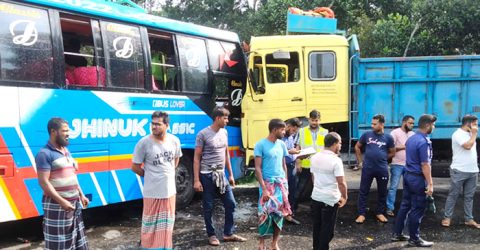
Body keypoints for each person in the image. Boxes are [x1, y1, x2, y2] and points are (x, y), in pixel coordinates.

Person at [193, 107, 247, 246]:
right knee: (208, 206)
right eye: (225, 118)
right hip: (207, 175)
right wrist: (197, 180)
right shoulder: (202, 134)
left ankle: (228, 233)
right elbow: (197, 158)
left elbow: (226, 153)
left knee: (231, 203)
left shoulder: (224, 132)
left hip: (221, 175)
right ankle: (211, 235)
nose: (227, 121)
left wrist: (231, 174)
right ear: (217, 118)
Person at [35, 117, 89, 250]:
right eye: (64, 131)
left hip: (73, 204)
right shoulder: (44, 154)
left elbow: (72, 176)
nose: (68, 134)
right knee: (60, 244)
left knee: (76, 241)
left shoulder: (65, 151)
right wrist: (62, 202)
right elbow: (44, 182)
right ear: (53, 132)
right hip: (57, 206)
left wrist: (81, 195)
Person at [131, 111, 182, 249]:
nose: (154, 127)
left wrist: (168, 173)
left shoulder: (174, 141)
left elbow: (176, 159)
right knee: (150, 226)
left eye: (158, 124)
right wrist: (150, 176)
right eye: (152, 124)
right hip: (152, 193)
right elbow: (135, 167)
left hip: (170, 192)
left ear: (167, 125)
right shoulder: (144, 143)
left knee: (167, 224)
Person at [392, 114, 436, 247]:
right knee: (418, 208)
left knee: (405, 205)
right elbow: (425, 164)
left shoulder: (411, 139)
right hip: (417, 178)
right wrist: (430, 183)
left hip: (408, 175)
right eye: (433, 125)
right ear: (428, 125)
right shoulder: (424, 141)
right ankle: (414, 239)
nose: (434, 127)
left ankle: (397, 233)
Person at [255, 119, 291, 250]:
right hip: (267, 184)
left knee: (279, 214)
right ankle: (262, 243)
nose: (284, 131)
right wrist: (264, 189)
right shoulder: (260, 145)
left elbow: (283, 165)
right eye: (282, 129)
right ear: (274, 130)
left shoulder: (282, 144)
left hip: (280, 184)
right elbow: (258, 168)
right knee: (264, 213)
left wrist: (285, 184)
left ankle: (274, 243)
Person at [354, 114, 395, 224]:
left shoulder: (388, 138)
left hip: (382, 169)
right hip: (367, 168)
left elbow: (393, 152)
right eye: (371, 123)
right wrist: (360, 161)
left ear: (382, 124)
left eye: (374, 124)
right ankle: (361, 214)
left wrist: (382, 158)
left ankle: (380, 213)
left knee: (382, 192)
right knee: (363, 191)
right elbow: (357, 146)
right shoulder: (366, 135)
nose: (372, 126)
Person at [310, 132, 348, 250]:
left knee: (317, 227)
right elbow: (341, 182)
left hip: (316, 197)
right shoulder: (336, 161)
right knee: (327, 231)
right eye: (340, 143)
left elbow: (313, 176)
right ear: (335, 144)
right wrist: (344, 197)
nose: (341, 146)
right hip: (330, 199)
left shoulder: (314, 157)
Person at [441, 115, 480, 228]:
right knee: (453, 195)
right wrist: (474, 134)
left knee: (469, 197)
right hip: (459, 170)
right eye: (475, 124)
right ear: (468, 123)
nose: (476, 127)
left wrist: (472, 134)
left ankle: (469, 219)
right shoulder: (457, 134)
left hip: (473, 170)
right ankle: (447, 218)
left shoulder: (469, 134)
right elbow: (468, 146)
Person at [296, 110, 328, 204]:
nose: (314, 122)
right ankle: (293, 207)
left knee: (318, 186)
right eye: (312, 120)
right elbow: (298, 146)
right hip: (306, 164)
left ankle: (317, 206)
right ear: (309, 119)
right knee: (300, 186)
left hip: (320, 165)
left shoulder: (325, 132)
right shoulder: (302, 131)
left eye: (316, 120)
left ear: (320, 120)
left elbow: (327, 148)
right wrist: (298, 162)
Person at [386, 115, 415, 217]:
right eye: (410, 123)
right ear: (404, 122)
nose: (412, 125)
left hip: (409, 165)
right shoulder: (395, 133)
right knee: (393, 187)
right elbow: (390, 147)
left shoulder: (412, 134)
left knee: (408, 188)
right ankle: (389, 208)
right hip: (397, 164)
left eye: (413, 124)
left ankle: (406, 208)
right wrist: (404, 146)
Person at [282, 118, 302, 224]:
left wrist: (299, 154)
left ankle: (289, 214)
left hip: (292, 166)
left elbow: (291, 149)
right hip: (284, 167)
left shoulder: (290, 137)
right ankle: (281, 215)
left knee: (292, 192)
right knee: (283, 191)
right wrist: (291, 151)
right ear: (288, 126)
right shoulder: (281, 137)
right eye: (293, 130)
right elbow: (279, 151)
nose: (294, 133)